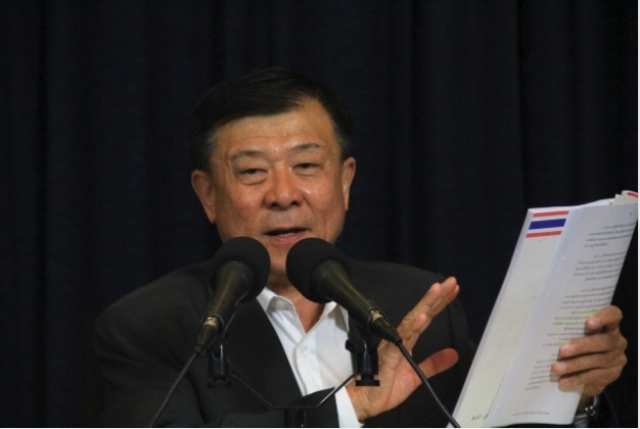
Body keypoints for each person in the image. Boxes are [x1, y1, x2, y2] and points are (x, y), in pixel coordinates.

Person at [93, 67, 627, 427]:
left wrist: (573, 395)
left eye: (307, 165)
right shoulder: (150, 327)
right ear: (208, 194)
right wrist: (346, 408)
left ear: (345, 181)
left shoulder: (417, 306)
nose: (284, 194)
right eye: (252, 172)